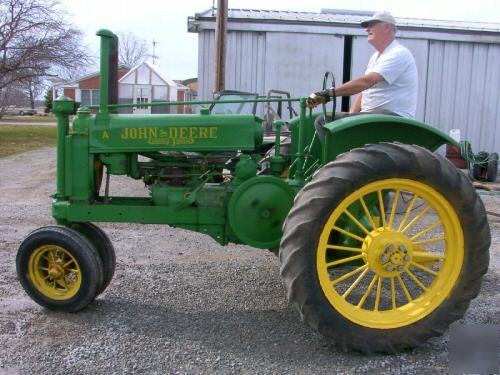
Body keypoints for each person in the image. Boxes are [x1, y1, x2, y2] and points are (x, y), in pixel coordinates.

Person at [307, 11, 418, 119]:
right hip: (374, 115)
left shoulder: (398, 53)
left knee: (322, 121)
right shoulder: (376, 56)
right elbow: (365, 90)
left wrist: (328, 93)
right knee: (325, 120)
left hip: (392, 116)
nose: (367, 29)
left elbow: (366, 82)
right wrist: (350, 116)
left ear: (387, 27)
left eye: (372, 25)